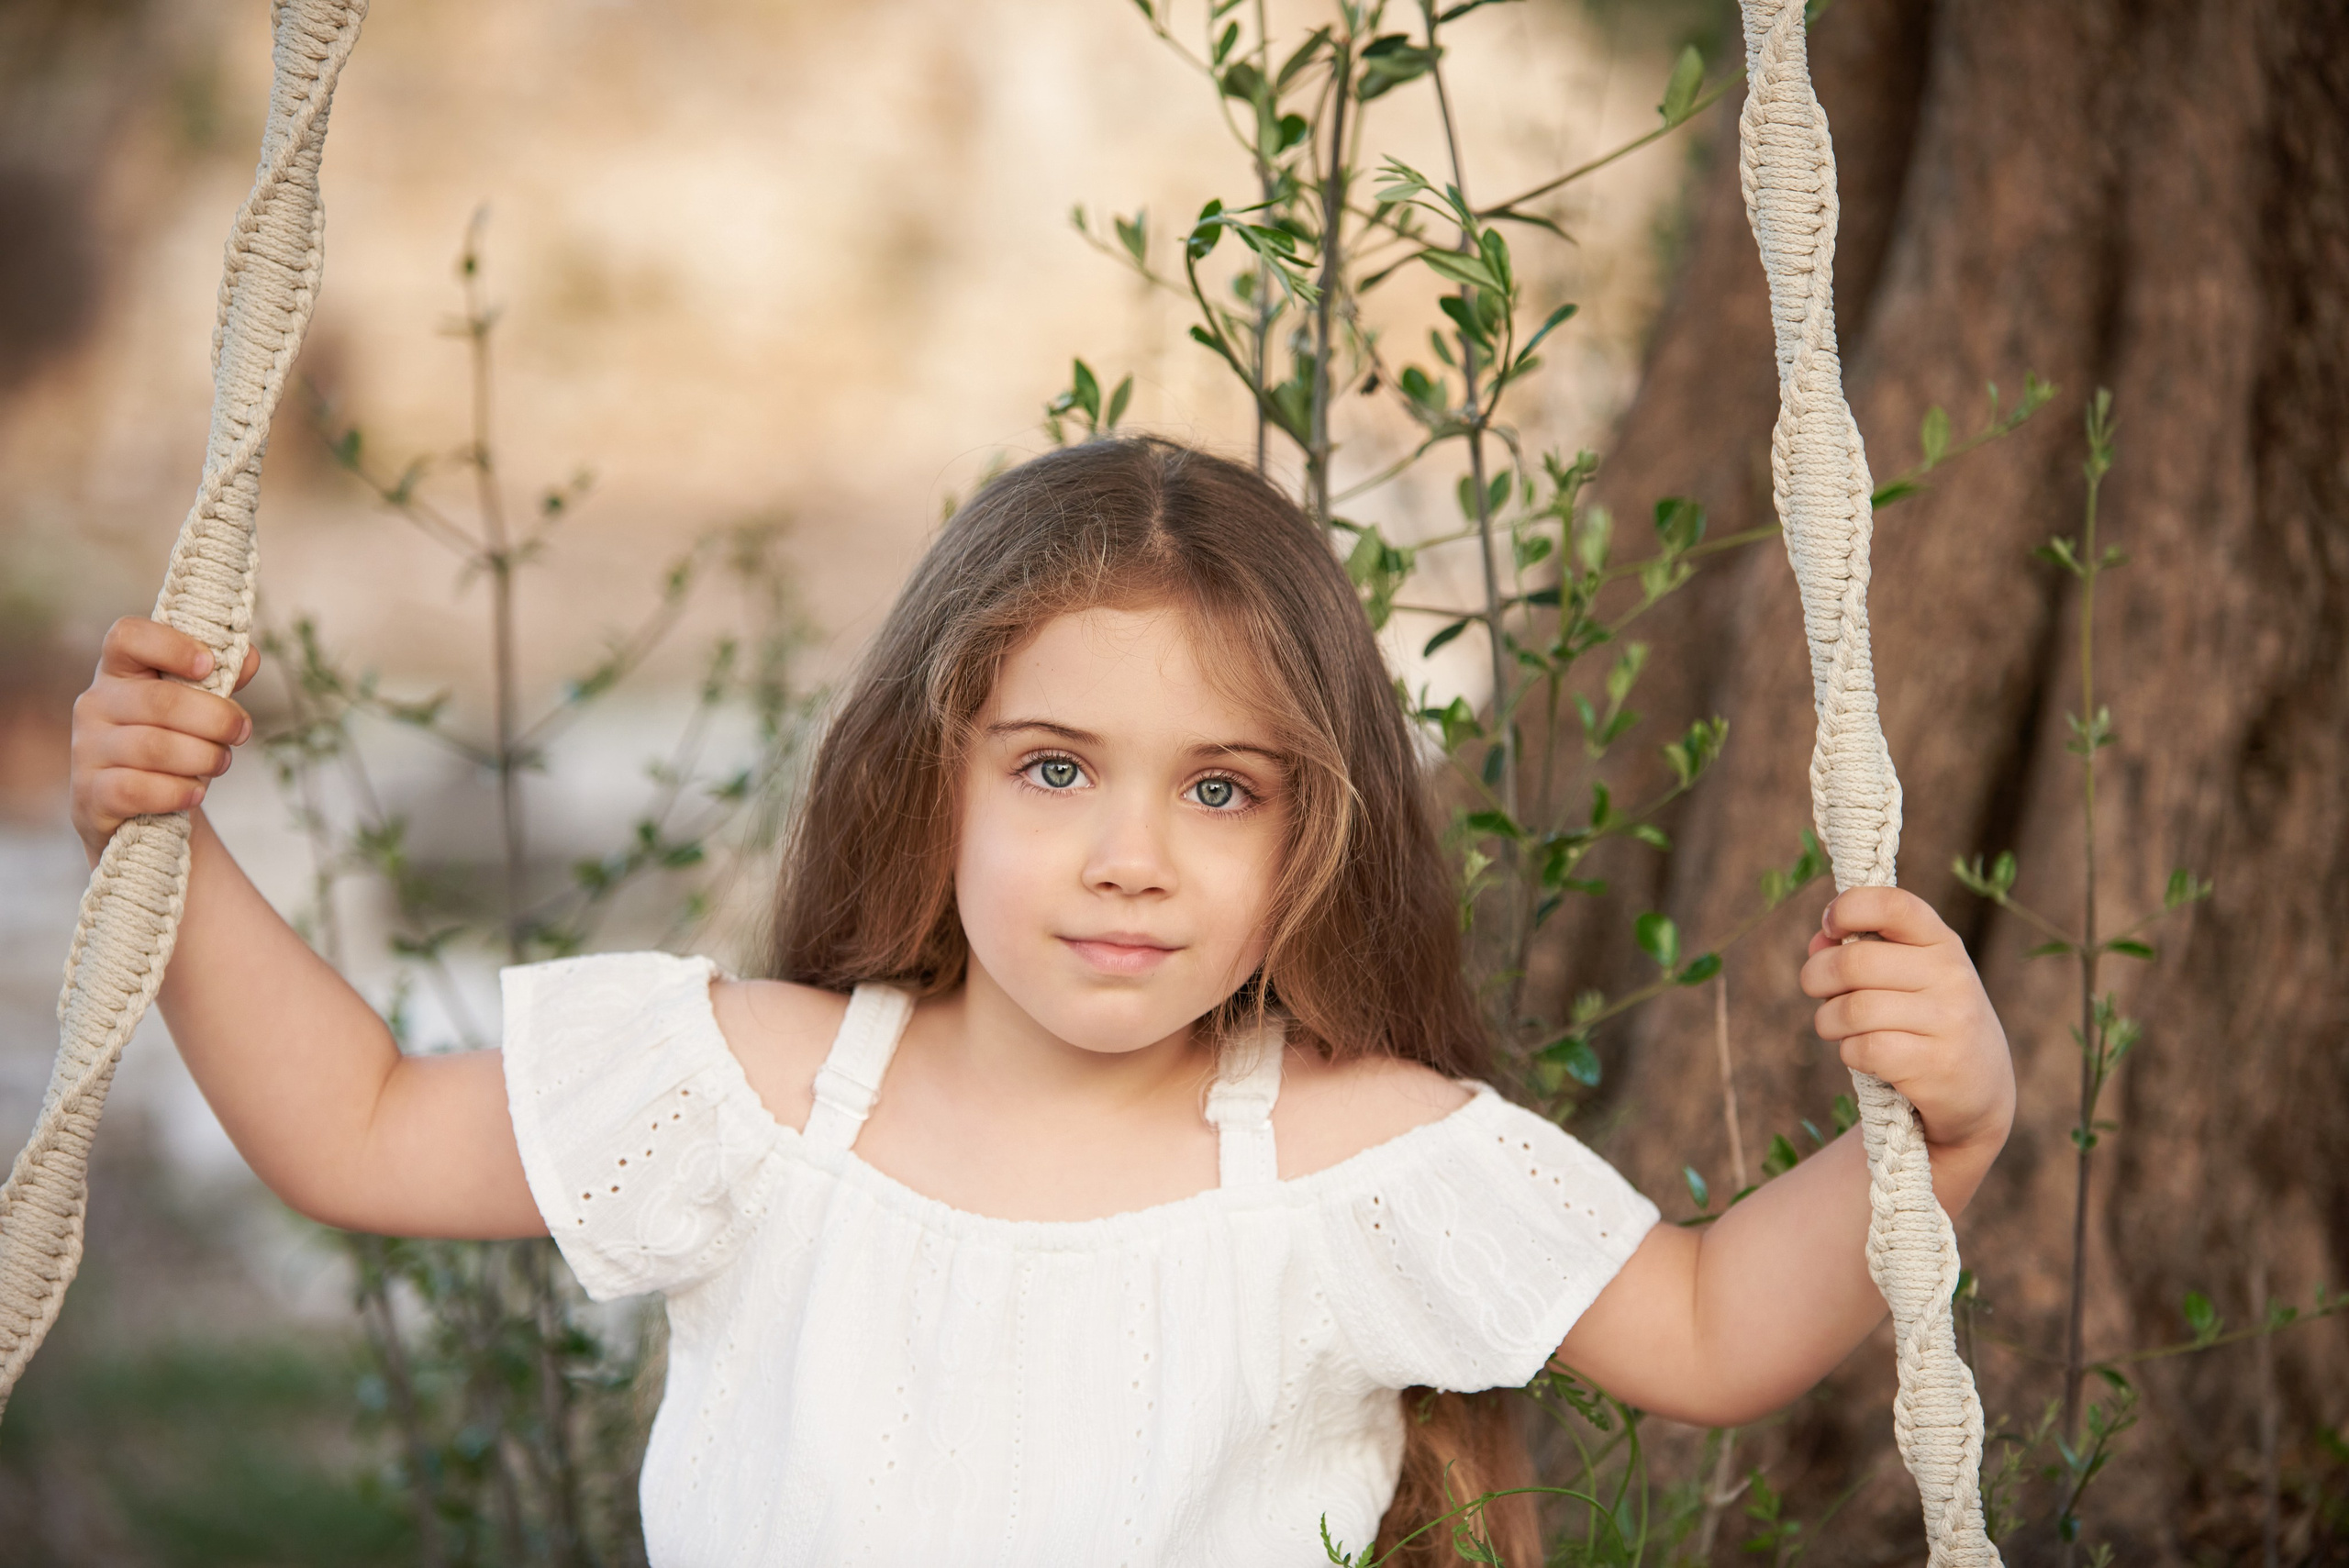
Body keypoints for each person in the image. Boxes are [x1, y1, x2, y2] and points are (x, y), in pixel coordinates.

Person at [66, 437, 2013, 1566]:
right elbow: (358, 1129)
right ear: (936, 777)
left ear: (1309, 835)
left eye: (1221, 789)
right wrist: (168, 841)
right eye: (1056, 768)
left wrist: (1940, 1132)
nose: (1130, 856)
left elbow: (1700, 1326)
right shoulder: (757, 1098)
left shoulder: (1347, 1162)